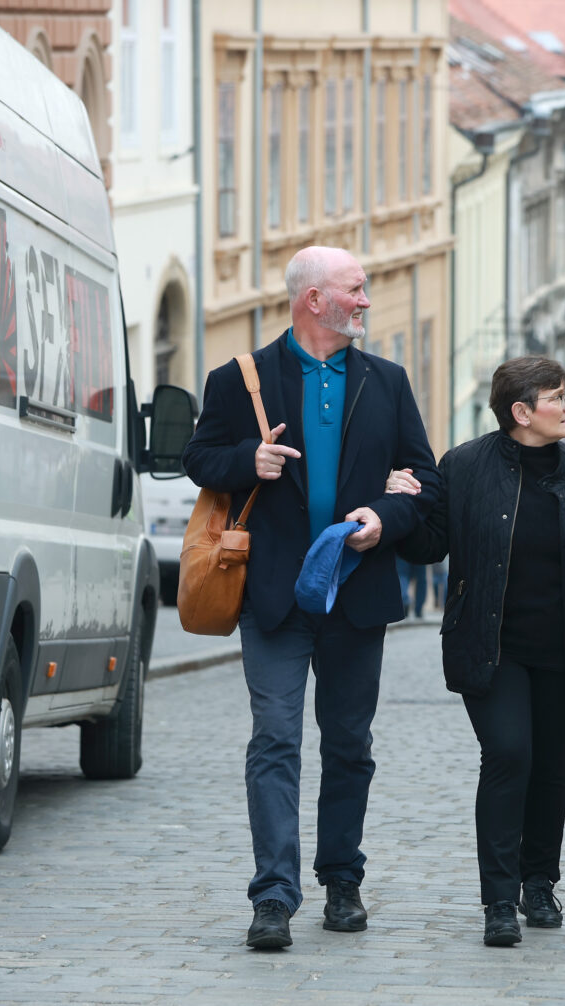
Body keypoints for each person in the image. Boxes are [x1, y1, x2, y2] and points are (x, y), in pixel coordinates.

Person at [182, 246, 438, 950]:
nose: (365, 300)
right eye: (355, 290)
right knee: (275, 738)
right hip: (273, 596)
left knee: (350, 744)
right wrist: (247, 462)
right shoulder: (242, 379)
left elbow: (426, 478)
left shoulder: (386, 381)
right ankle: (273, 896)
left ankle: (342, 879)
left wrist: (385, 517)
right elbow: (198, 458)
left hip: (356, 595)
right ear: (314, 300)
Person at [392, 358, 565, 947]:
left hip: (564, 649)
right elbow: (429, 545)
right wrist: (407, 503)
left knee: (549, 766)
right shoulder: (466, 466)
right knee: (508, 755)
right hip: (490, 645)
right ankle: (499, 899)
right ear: (522, 412)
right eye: (559, 397)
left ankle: (539, 882)